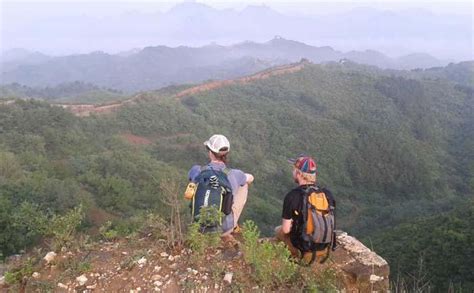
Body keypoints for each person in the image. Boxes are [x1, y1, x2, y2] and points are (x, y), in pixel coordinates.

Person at [187, 134, 254, 236]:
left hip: (198, 228)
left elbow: (191, 178)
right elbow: (250, 178)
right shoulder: (234, 174)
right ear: (227, 153)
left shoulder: (196, 170)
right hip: (223, 230)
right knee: (243, 184)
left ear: (210, 153)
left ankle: (197, 219)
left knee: (194, 183)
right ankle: (232, 224)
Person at [275, 155, 336, 264]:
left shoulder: (292, 196)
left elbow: (286, 230)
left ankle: (295, 256)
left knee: (278, 230)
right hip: (324, 245)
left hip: (304, 246)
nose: (292, 172)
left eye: (294, 169)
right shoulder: (327, 194)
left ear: (299, 174)